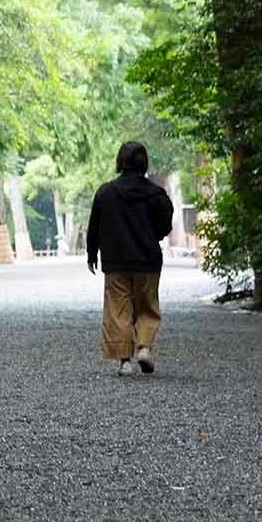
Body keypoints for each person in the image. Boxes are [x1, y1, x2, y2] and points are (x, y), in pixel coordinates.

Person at [86, 141, 174, 377]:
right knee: (146, 307)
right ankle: (144, 347)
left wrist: (91, 253)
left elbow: (94, 225)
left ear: (119, 163)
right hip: (147, 261)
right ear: (144, 164)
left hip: (116, 262)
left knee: (118, 310)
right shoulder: (156, 194)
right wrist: (151, 234)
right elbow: (166, 223)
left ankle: (125, 361)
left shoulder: (105, 192)